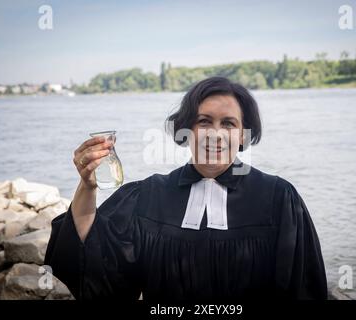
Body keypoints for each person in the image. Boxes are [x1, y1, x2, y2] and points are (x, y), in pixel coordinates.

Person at [44, 76, 327, 301]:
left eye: (228, 124)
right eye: (204, 121)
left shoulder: (278, 199)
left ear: (242, 135)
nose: (215, 133)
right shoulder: (149, 196)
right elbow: (92, 256)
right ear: (186, 130)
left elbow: (303, 288)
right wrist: (87, 186)